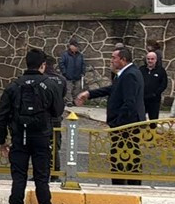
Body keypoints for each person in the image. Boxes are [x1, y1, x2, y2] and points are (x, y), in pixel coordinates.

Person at [0, 48, 64, 204]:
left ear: (26, 63)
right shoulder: (50, 85)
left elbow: (0, 116)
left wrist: (2, 141)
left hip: (19, 138)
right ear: (43, 66)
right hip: (42, 138)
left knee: (19, 178)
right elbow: (58, 111)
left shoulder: (13, 86)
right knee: (42, 179)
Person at [76, 47, 146, 186]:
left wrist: (116, 123)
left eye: (114, 58)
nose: (111, 61)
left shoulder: (130, 75)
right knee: (123, 154)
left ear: (123, 60)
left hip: (127, 125)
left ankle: (126, 185)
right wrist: (89, 94)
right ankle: (124, 183)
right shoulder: (124, 73)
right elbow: (112, 89)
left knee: (126, 155)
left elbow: (129, 102)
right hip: (125, 124)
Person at [43, 55, 68, 181]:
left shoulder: (42, 79)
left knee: (40, 146)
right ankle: (55, 174)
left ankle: (42, 173)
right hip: (56, 118)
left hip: (43, 117)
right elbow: (63, 95)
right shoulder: (61, 79)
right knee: (55, 147)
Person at [140, 50, 168, 121]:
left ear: (156, 60)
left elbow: (164, 84)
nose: (150, 61)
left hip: (154, 100)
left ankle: (153, 131)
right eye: (148, 59)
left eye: (152, 59)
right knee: (140, 119)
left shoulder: (161, 71)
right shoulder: (141, 69)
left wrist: (155, 94)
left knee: (153, 120)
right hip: (142, 99)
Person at [58, 39, 85, 105]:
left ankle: (75, 101)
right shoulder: (65, 55)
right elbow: (61, 64)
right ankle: (69, 101)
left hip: (78, 75)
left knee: (77, 88)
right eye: (75, 46)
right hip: (68, 75)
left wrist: (83, 72)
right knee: (68, 89)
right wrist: (64, 72)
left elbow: (83, 64)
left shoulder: (80, 55)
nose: (76, 48)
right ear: (71, 46)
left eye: (77, 46)